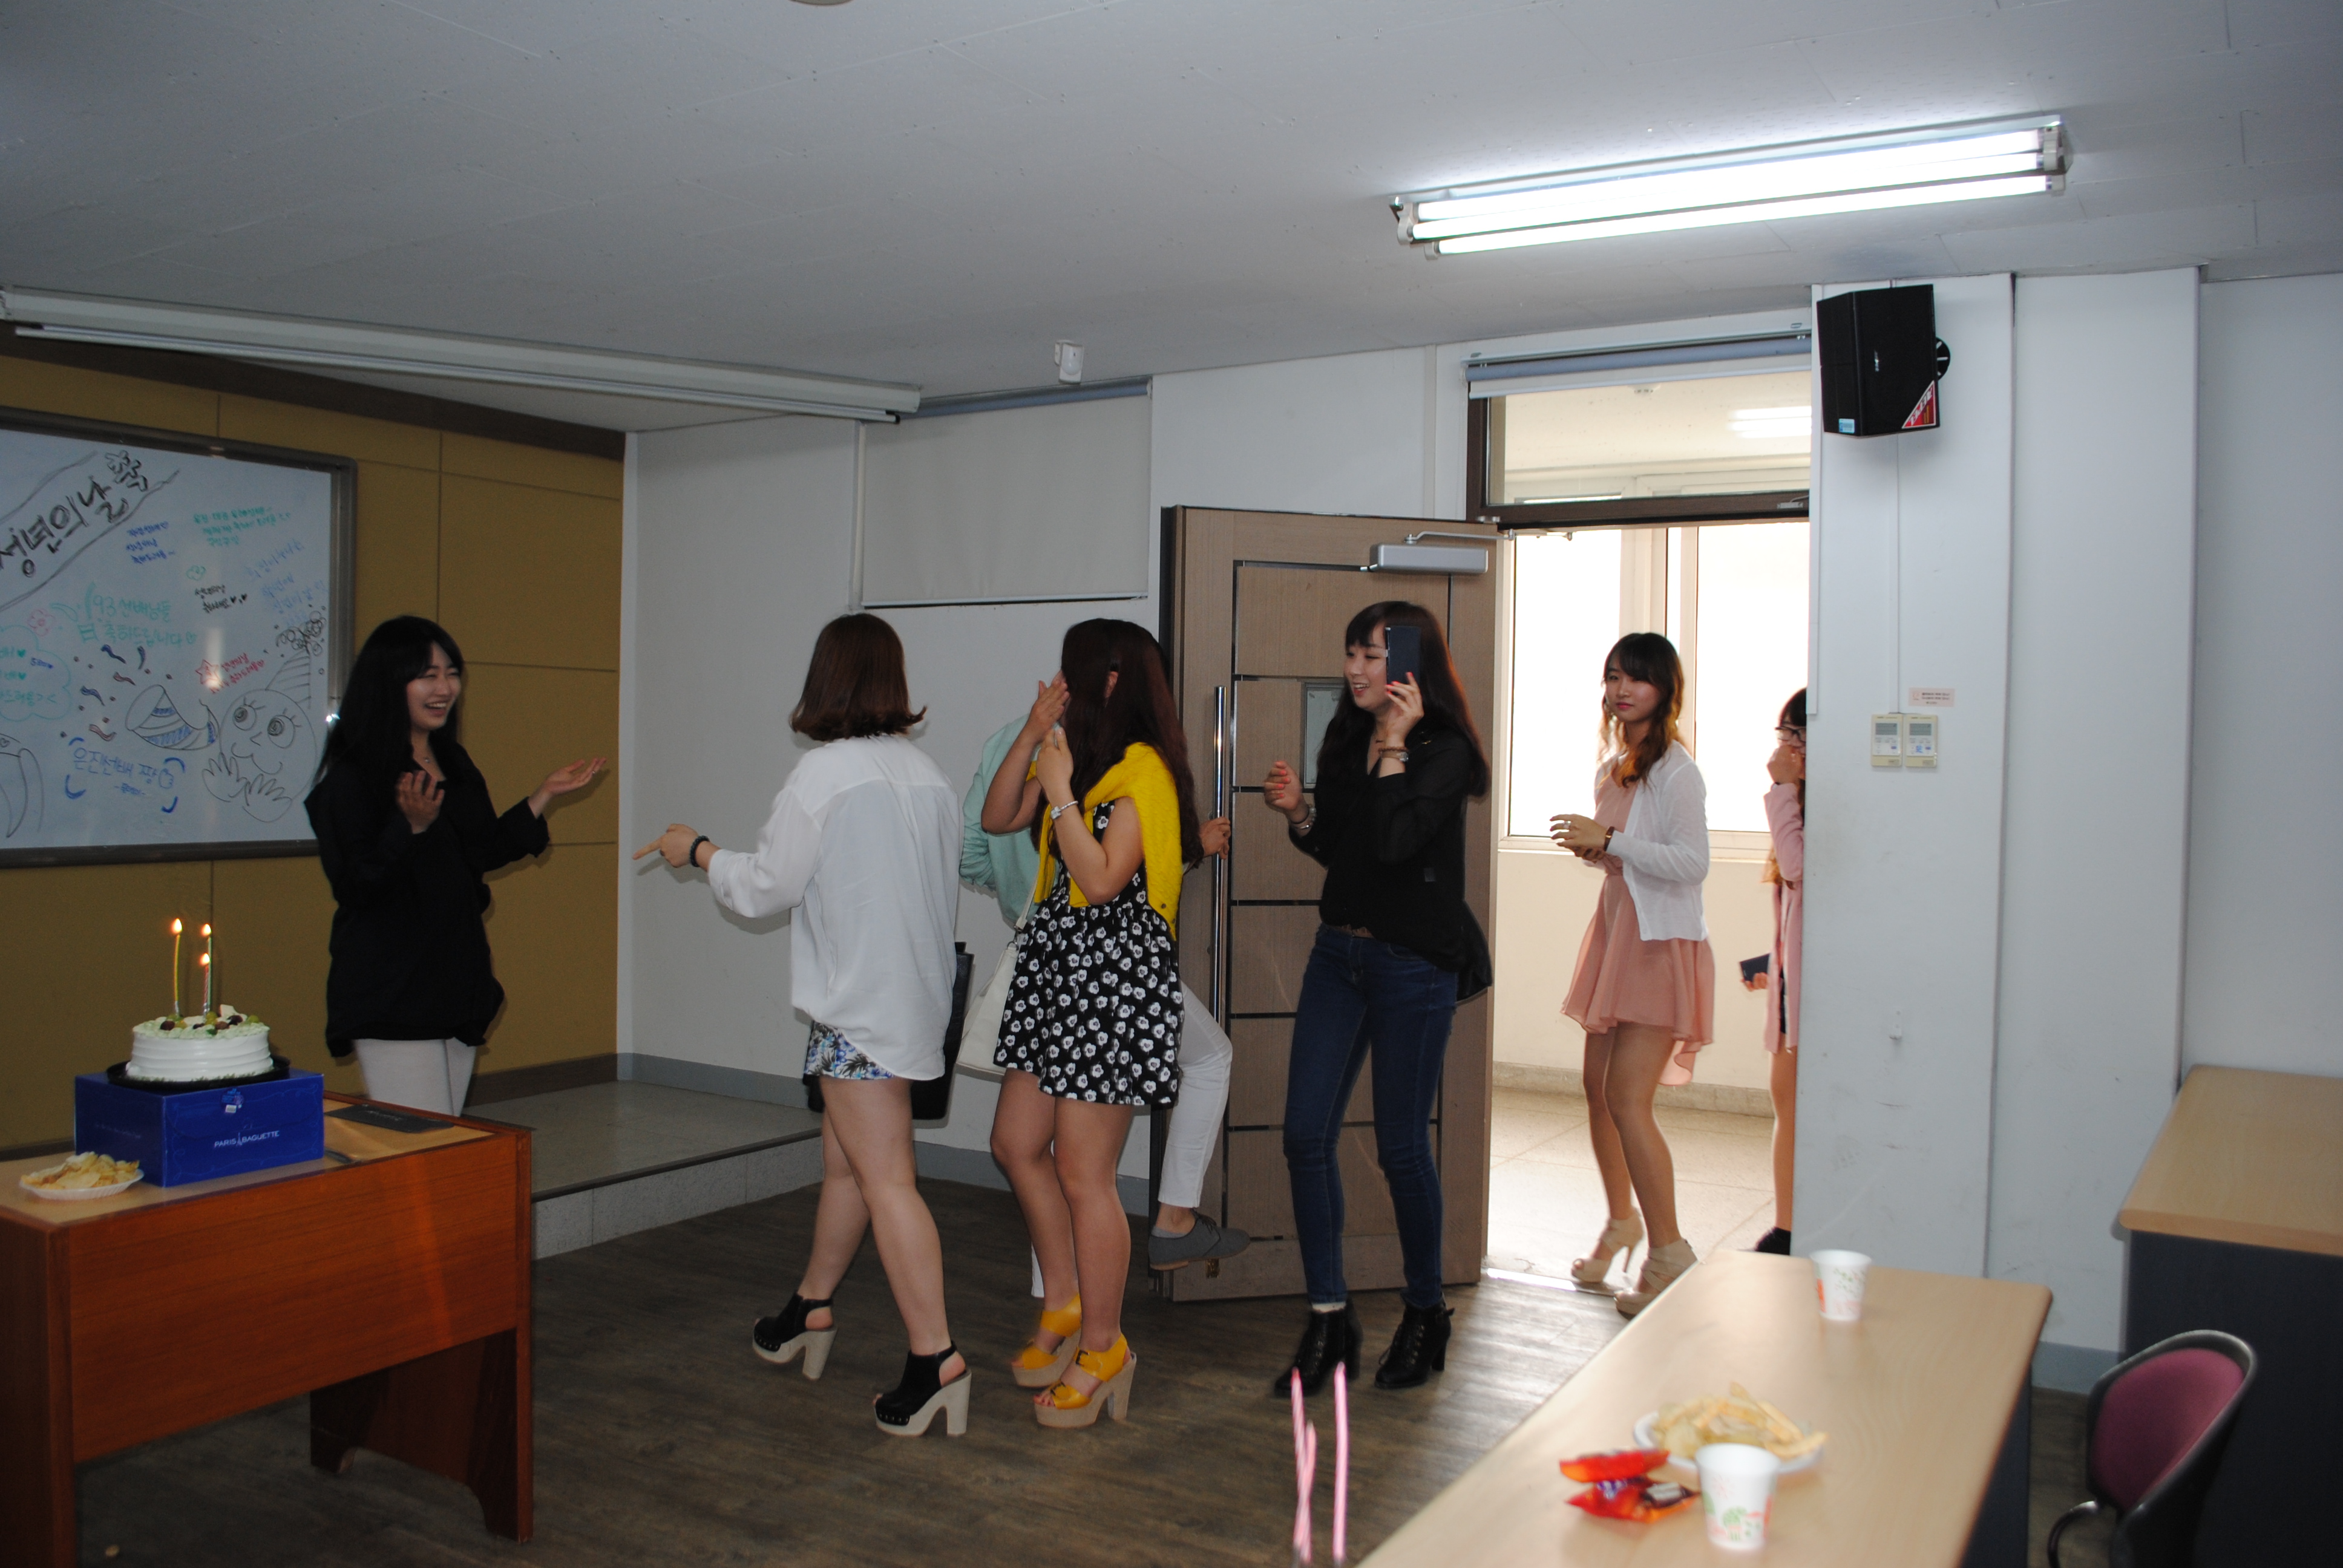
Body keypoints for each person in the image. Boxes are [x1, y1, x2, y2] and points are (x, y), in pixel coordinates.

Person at [634, 613, 969, 1439]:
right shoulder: (926, 774)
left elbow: (765, 888)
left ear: (827, 679)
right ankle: (809, 1307)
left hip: (856, 1013)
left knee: (885, 1181)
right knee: (848, 1169)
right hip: (911, 1005)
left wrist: (697, 850)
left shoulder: (824, 774)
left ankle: (936, 1359)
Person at [1260, 602, 1490, 1397]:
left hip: (1413, 965)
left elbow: (1395, 845)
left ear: (1409, 664)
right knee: (1303, 1136)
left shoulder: (1444, 750)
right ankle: (1330, 1316)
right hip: (1339, 955)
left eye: (1371, 655)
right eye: (1350, 653)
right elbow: (1342, 850)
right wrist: (1299, 816)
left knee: (1400, 1148)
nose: (1354, 669)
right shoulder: (1345, 734)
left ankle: (1425, 1310)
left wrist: (1393, 743)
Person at [981, 620, 1201, 1429]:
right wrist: (1034, 737)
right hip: (1059, 972)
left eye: (1076, 671)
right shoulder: (1078, 756)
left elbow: (1105, 880)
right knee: (1015, 1143)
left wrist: (1063, 791)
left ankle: (1105, 1346)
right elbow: (998, 818)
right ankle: (1066, 1302)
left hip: (1110, 983)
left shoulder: (1143, 770)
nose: (1064, 683)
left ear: (1113, 679)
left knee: (1084, 1172)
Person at [961, 710, 1249, 1276]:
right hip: (1101, 970)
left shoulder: (1033, 746)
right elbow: (1107, 881)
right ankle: (1165, 1225)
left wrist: (1025, 896)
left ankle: (1062, 1294)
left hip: (1050, 958)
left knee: (1051, 1154)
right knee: (1078, 1163)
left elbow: (982, 842)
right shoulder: (1114, 766)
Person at [306, 615, 603, 1115]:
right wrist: (410, 828)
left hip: (455, 980)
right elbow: (356, 886)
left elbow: (480, 851)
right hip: (393, 988)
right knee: (424, 1142)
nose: (445, 688)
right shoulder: (353, 779)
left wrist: (543, 796)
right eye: (428, 675)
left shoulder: (454, 761)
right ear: (389, 682)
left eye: (451, 673)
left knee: (446, 1135)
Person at [1552, 632, 1715, 1318]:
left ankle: (1669, 1252)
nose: (1622, 690)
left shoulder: (1677, 770)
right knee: (1597, 1092)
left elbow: (1691, 862)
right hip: (1619, 935)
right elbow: (1626, 857)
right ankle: (1622, 1222)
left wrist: (1612, 841)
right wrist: (1598, 851)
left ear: (1665, 690)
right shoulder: (1614, 766)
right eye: (1614, 676)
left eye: (1638, 679)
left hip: (1657, 945)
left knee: (1626, 1100)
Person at [1748, 689, 1806, 1255]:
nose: (1786, 748)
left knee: (1795, 1105)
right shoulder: (1797, 805)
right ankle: (1787, 1225)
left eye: (1799, 736)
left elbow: (1798, 867)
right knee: (1785, 1102)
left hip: (1816, 995)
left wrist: (1783, 791)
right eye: (1784, 735)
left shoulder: (1805, 806)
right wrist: (1770, 964)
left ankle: (1790, 1229)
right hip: (1792, 986)